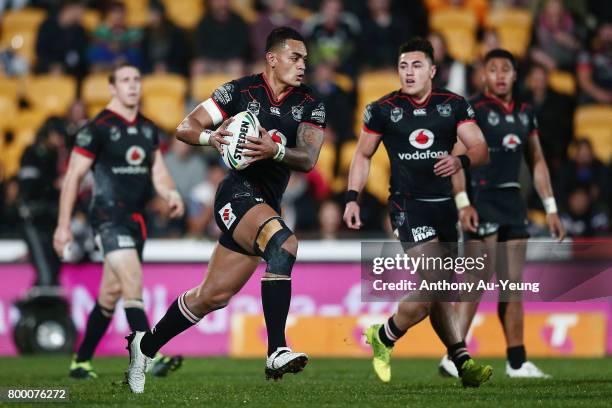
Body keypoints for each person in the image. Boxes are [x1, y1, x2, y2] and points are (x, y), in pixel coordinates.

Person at [124, 27, 326, 393]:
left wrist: (274, 151)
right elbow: (186, 126)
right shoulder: (238, 91)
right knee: (283, 244)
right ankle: (276, 348)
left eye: (305, 60)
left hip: (266, 203)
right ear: (272, 58)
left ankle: (145, 346)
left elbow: (309, 159)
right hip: (236, 194)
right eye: (295, 58)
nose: (302, 66)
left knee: (211, 296)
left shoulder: (311, 102)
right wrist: (209, 137)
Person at [343, 37, 492, 387]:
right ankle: (455, 356)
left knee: (439, 291)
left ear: (433, 70)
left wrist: (460, 160)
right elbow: (362, 155)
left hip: (444, 210)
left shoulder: (453, 105)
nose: (409, 73)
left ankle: (398, 338)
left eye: (417, 65)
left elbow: (481, 148)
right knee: (437, 284)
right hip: (407, 208)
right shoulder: (383, 109)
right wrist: (353, 197)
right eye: (403, 66)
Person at [438, 49, 565, 379]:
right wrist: (464, 202)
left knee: (512, 286)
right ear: (483, 76)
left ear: (514, 75)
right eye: (492, 69)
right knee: (475, 281)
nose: (499, 75)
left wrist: (551, 208)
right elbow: (456, 158)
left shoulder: (526, 112)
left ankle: (518, 361)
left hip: (513, 203)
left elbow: (537, 161)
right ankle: (454, 355)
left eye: (505, 69)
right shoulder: (474, 110)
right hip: (481, 202)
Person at [53, 63, 185, 379]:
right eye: (125, 80)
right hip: (107, 216)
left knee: (110, 295)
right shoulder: (96, 128)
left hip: (137, 220)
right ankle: (149, 352)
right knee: (132, 279)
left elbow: (158, 171)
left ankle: (80, 362)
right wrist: (63, 225)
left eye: (137, 79)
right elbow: (73, 177)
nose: (132, 85)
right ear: (112, 88)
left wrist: (170, 193)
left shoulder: (148, 128)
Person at [19, 117, 67, 288]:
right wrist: (54, 184)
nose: (60, 141)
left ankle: (42, 309)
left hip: (51, 220)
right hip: (33, 220)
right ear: (48, 133)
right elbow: (29, 187)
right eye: (58, 135)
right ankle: (35, 311)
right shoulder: (31, 153)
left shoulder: (57, 156)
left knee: (54, 272)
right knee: (45, 272)